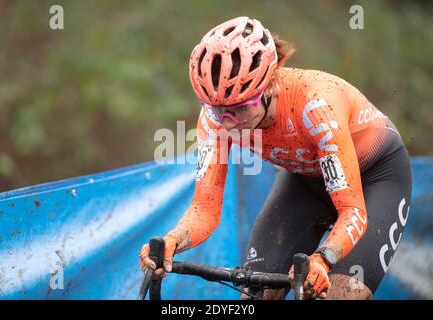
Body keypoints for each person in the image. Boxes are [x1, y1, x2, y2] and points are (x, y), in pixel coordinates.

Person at [139, 16, 412, 300]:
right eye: (218, 110)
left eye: (239, 108)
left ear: (269, 87)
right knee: (256, 296)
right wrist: (172, 242)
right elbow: (205, 209)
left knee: (340, 295)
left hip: (376, 178)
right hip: (306, 180)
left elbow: (352, 211)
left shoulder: (316, 107)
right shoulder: (215, 118)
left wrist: (323, 259)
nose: (227, 122)